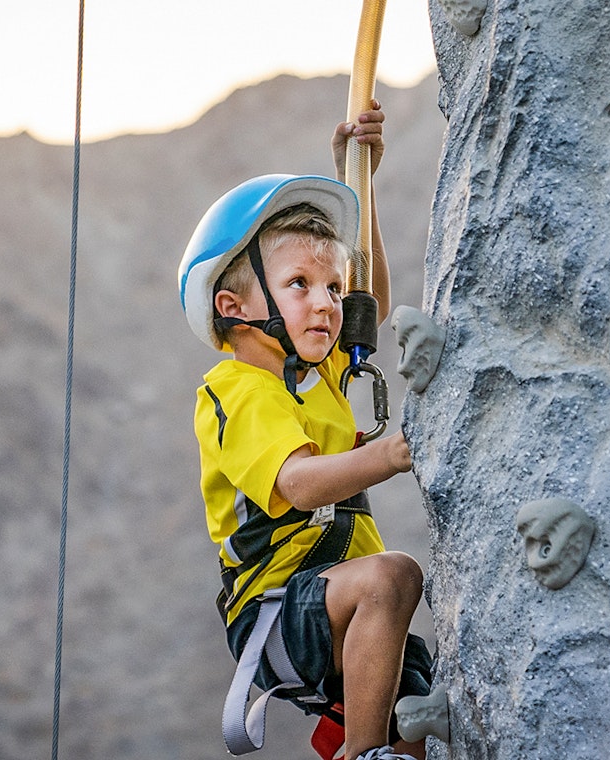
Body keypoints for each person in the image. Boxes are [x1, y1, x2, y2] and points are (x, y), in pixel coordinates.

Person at [178, 102, 432, 760]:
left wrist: (361, 177)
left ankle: (378, 750)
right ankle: (368, 755)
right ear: (233, 309)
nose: (324, 301)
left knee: (419, 707)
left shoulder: (320, 371)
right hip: (276, 610)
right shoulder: (236, 387)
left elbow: (367, 291)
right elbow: (294, 484)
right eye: (298, 284)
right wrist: (390, 454)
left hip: (334, 600)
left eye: (329, 286)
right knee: (392, 577)